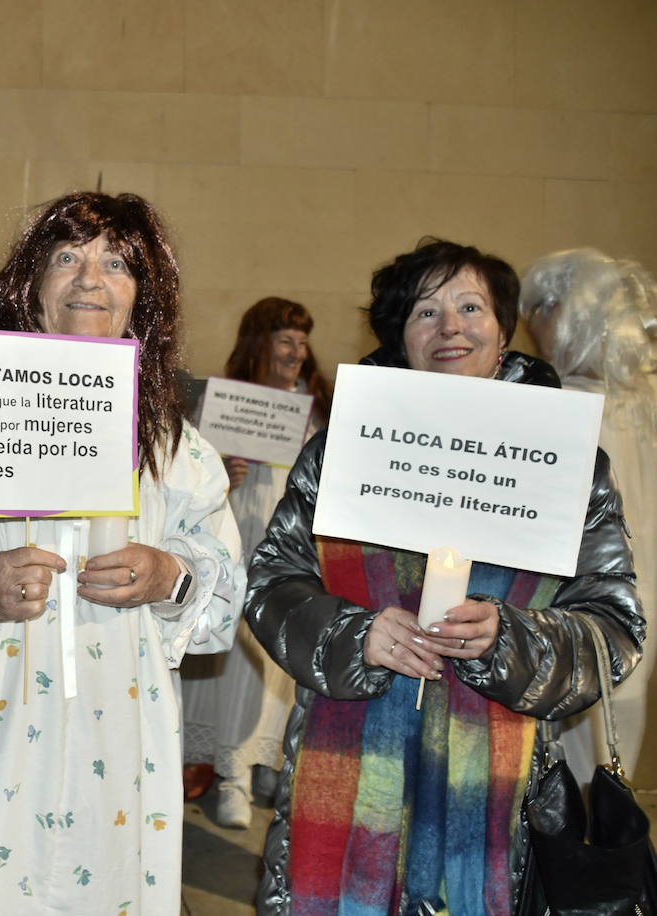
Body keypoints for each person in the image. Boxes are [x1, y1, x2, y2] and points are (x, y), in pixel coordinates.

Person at [0, 192, 244, 914]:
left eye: (117, 263)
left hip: (119, 742)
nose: (91, 278)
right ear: (31, 285)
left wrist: (169, 575)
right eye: (67, 257)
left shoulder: (173, 447)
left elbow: (220, 599)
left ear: (141, 298)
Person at [244, 238, 644, 914]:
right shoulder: (342, 446)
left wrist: (512, 638)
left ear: (502, 329)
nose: (450, 327)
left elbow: (613, 628)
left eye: (469, 307)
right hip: (344, 767)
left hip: (498, 787)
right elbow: (273, 583)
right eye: (426, 312)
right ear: (401, 336)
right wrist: (354, 634)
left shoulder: (568, 463)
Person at [180, 297, 333, 828]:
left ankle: (265, 763)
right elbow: (186, 475)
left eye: (302, 341)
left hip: (288, 545)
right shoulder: (224, 404)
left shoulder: (313, 411)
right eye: (285, 340)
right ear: (259, 344)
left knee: (275, 664)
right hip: (234, 537)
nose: (297, 351)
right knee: (231, 660)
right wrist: (221, 472)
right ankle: (231, 776)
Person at [521, 248, 657, 781]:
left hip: (583, 599)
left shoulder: (570, 408)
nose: (531, 325)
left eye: (541, 309)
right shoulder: (641, 405)